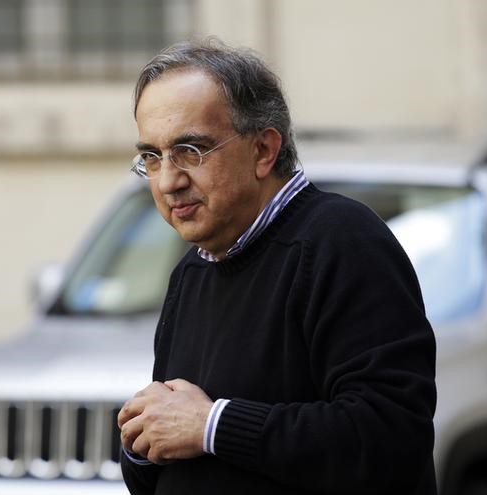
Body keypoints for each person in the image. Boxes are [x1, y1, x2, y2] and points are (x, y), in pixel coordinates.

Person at [118, 38, 437, 495]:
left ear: (264, 151)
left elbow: (389, 438)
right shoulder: (193, 271)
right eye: (151, 156)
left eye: (191, 150)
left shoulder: (341, 240)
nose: (168, 180)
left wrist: (213, 425)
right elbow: (181, 451)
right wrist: (141, 440)